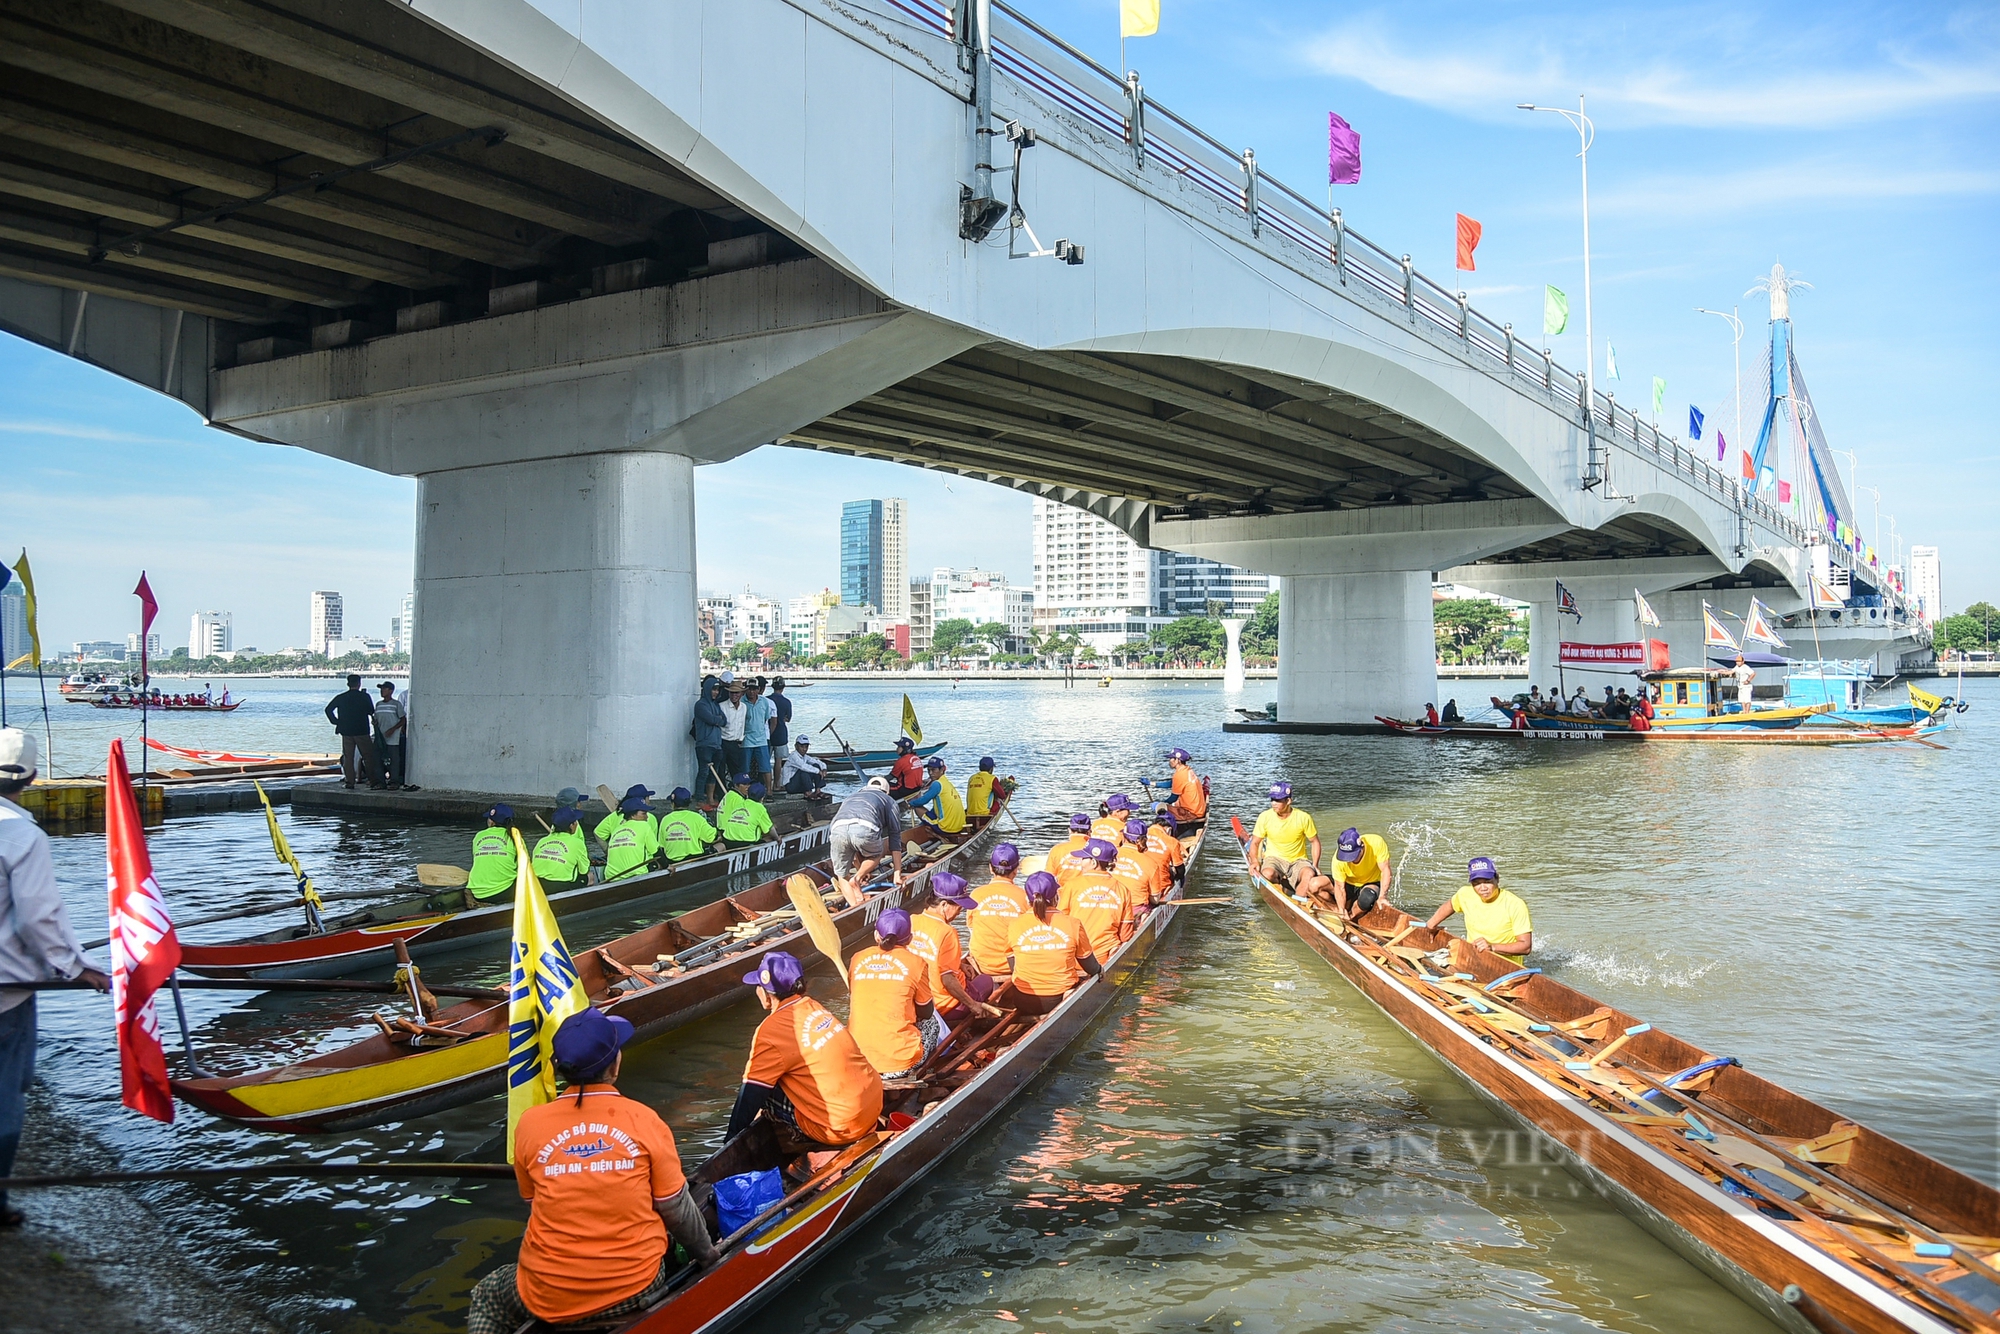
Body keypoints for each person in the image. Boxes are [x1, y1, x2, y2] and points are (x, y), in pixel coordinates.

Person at [467, 1008, 717, 1334]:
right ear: (614, 1065)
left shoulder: (529, 1125)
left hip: (548, 1295)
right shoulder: (645, 1121)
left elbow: (536, 1205)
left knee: (488, 1293)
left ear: (559, 1068)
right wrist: (709, 1257)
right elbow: (676, 1209)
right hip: (635, 1288)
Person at [0, 730, 110, 1229]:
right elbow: (38, 919)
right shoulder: (21, 836)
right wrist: (78, 967)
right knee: (6, 1095)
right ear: (33, 779)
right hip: (7, 994)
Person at [729, 952, 883, 1156]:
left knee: (761, 1088)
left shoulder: (770, 1030)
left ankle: (781, 1146)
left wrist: (728, 1144)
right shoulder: (813, 1006)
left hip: (840, 1128)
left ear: (766, 994)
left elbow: (748, 1098)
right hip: (874, 1105)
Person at [845, 909, 939, 1078]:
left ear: (876, 935)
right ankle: (927, 1084)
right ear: (910, 939)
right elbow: (926, 1012)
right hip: (898, 1064)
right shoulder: (917, 963)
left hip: (857, 1059)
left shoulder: (856, 958)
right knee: (932, 1024)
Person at [907, 874, 1004, 1030]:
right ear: (944, 904)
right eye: (959, 906)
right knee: (986, 980)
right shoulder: (947, 932)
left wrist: (959, 964)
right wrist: (973, 1005)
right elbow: (947, 980)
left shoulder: (911, 921)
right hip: (946, 1007)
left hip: (919, 1004)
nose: (960, 911)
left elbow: (928, 957)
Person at [1004, 871, 1101, 1016]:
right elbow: (1089, 965)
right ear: (1056, 896)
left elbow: (1013, 963)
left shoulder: (1014, 924)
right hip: (1058, 999)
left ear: (1027, 898)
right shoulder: (1073, 923)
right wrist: (1099, 971)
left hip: (1023, 1000)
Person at [1424, 857, 1533, 958]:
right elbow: (1451, 905)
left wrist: (1492, 947)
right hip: (1474, 958)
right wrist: (1432, 923)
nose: (1483, 888)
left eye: (1487, 882)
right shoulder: (1465, 894)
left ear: (1497, 879)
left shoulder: (1515, 904)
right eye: (1476, 883)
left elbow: (1526, 946)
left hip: (1504, 965)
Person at [1057, 839, 1140, 963]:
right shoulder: (1123, 890)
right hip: (1104, 957)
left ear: (1094, 862)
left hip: (1074, 958)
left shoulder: (1070, 886)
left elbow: (1060, 923)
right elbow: (1125, 935)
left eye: (1084, 858)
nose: (1080, 862)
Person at [828, 777, 904, 899]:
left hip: (837, 829)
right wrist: (897, 874)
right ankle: (857, 879)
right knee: (877, 854)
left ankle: (855, 907)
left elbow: (850, 852)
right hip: (865, 827)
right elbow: (894, 837)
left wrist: (861, 869)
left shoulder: (851, 797)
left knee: (842, 875)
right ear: (887, 792)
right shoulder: (889, 800)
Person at [1247, 782, 1323, 898]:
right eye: (1272, 799)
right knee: (1267, 873)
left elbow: (1315, 842)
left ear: (1288, 801)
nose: (1273, 803)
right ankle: (1279, 890)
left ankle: (1299, 902)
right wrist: (1254, 861)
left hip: (1298, 861)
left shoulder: (1304, 818)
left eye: (1278, 800)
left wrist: (1315, 865)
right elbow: (1255, 842)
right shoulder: (1265, 817)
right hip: (1274, 859)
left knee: (1309, 873)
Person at [968, 845, 1030, 977]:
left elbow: (971, 928)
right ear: (1016, 870)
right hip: (1014, 966)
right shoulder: (1025, 897)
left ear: (991, 868)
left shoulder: (975, 894)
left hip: (982, 965)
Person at [324, 673, 382, 790]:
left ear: (348, 684)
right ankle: (373, 781)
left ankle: (349, 782)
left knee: (348, 757)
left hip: (346, 731)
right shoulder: (364, 697)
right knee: (368, 757)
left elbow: (328, 709)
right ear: (359, 684)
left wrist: (336, 722)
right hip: (362, 730)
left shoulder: (341, 697)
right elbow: (371, 711)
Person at [1321, 827, 1392, 921]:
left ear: (1361, 846)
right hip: (1349, 883)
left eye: (1353, 856)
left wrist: (1383, 896)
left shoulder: (1376, 843)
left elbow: (1385, 871)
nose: (1350, 860)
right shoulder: (1338, 860)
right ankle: (1338, 912)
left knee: (1367, 898)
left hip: (1370, 883)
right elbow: (1339, 886)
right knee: (1314, 885)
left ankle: (1351, 917)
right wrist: (1341, 909)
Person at [906, 757, 965, 845]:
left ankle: (935, 832)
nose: (930, 773)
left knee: (917, 808)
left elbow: (923, 800)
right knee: (933, 810)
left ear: (942, 770)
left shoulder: (937, 784)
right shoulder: (947, 783)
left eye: (933, 770)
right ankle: (928, 824)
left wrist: (910, 803)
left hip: (946, 828)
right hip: (960, 826)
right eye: (929, 770)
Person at [530, 807, 590, 892]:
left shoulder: (542, 841)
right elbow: (583, 871)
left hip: (535, 884)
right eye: (576, 822)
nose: (577, 824)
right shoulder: (578, 843)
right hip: (560, 886)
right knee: (589, 877)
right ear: (571, 825)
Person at [468, 805, 519, 904]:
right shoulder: (515, 837)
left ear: (491, 822)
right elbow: (524, 865)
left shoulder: (479, 836)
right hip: (503, 892)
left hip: (477, 893)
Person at [1113, 818, 1169, 906]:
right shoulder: (1152, 864)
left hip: (1111, 905)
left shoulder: (1111, 853)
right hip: (1136, 907)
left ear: (1124, 837)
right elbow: (1155, 900)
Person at [603, 797, 661, 881]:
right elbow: (656, 852)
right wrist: (667, 866)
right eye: (644, 813)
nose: (647, 817)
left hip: (610, 878)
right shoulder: (644, 826)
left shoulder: (616, 830)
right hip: (635, 876)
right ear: (633, 815)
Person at [657, 788, 719, 863]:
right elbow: (711, 838)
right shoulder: (697, 818)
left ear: (673, 804)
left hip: (672, 863)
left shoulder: (665, 820)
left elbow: (662, 845)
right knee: (720, 846)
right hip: (695, 861)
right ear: (689, 803)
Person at [692, 677, 726, 802]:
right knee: (704, 772)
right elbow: (712, 719)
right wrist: (717, 719)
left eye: (717, 690)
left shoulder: (716, 705)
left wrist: (717, 719)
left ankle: (711, 799)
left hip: (717, 744)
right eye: (713, 689)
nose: (716, 692)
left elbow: (724, 721)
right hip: (704, 744)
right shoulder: (700, 705)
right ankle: (700, 799)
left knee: (714, 773)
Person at [596, 784, 657, 849]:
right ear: (642, 800)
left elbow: (598, 834)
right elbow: (654, 846)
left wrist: (608, 852)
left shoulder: (615, 815)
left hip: (618, 856)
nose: (649, 801)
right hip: (641, 858)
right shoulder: (649, 817)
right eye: (648, 798)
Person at [372, 680, 407, 789]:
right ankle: (380, 782)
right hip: (380, 738)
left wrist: (393, 729)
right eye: (381, 689)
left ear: (391, 691)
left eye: (384, 689)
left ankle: (394, 782)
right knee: (377, 760)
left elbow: (403, 720)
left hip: (392, 739)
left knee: (394, 761)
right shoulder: (378, 704)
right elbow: (376, 719)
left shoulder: (396, 704)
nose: (382, 691)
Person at [717, 776, 773, 846]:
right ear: (736, 786)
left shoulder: (729, 795)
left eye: (749, 784)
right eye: (744, 784)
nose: (748, 787)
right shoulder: (739, 800)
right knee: (768, 834)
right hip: (729, 833)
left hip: (725, 834)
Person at [743, 678, 775, 791]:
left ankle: (769, 791)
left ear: (758, 689)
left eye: (754, 689)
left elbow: (766, 718)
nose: (752, 692)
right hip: (746, 739)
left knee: (766, 767)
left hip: (761, 739)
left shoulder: (764, 702)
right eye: (749, 689)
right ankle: (745, 791)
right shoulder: (741, 701)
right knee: (745, 768)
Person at [718, 680, 749, 782]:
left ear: (741, 694)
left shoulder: (744, 707)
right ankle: (721, 794)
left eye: (737, 692)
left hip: (736, 743)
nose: (734, 695)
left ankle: (737, 793)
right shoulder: (721, 706)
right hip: (723, 742)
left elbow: (742, 725)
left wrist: (741, 739)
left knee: (736, 771)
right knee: (720, 770)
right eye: (732, 692)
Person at [1146, 809, 1187, 886]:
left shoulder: (1140, 835)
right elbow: (1179, 869)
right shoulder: (1171, 841)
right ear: (1169, 829)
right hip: (1161, 883)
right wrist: (1181, 878)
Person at [1165, 748, 1207, 822]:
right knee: (1174, 804)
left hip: (1192, 813)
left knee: (1161, 809)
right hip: (1199, 810)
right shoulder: (1188, 770)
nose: (1169, 761)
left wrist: (1160, 803)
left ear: (1178, 760)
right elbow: (1172, 783)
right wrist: (1152, 784)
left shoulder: (1179, 774)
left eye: (1171, 758)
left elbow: (1173, 798)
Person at [964, 756, 998, 826]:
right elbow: (1002, 795)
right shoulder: (992, 778)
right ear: (991, 769)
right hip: (984, 815)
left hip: (969, 813)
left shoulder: (972, 778)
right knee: (999, 800)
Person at [768, 677, 793, 756]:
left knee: (765, 760)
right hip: (781, 734)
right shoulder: (786, 702)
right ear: (783, 687)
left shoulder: (766, 700)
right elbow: (788, 719)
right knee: (779, 761)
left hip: (767, 734)